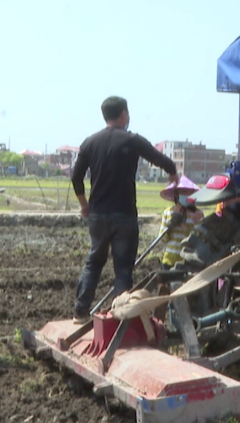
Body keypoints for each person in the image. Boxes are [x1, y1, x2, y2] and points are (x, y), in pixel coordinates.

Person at [71, 96, 178, 323]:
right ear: (123, 114)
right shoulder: (132, 140)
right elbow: (159, 159)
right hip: (124, 215)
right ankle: (121, 319)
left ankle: (80, 312)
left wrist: (84, 205)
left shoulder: (90, 142)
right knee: (123, 268)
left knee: (94, 261)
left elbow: (75, 176)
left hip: (98, 214)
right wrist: (172, 172)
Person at [158, 176, 204, 267]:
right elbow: (162, 240)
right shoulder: (168, 212)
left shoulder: (197, 214)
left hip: (188, 262)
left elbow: (197, 240)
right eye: (182, 192)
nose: (185, 194)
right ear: (176, 194)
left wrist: (181, 223)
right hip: (169, 260)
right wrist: (171, 223)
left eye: (188, 192)